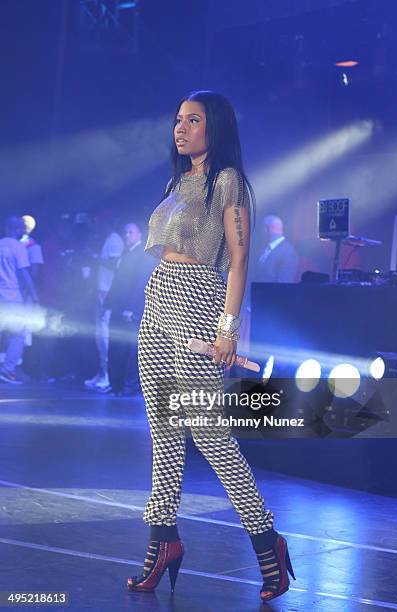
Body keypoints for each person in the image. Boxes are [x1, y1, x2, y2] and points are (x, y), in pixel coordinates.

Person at [126, 91, 295, 602]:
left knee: (210, 435)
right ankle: (163, 542)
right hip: (158, 301)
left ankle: (268, 542)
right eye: (178, 119)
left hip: (201, 301)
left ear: (214, 128)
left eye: (193, 120)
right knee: (164, 433)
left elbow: (239, 259)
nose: (181, 128)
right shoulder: (179, 181)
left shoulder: (228, 181)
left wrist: (228, 328)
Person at [104, 223, 148, 395]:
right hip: (118, 307)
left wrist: (131, 308)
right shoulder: (127, 253)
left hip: (129, 310)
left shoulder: (142, 255)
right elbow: (117, 281)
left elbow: (140, 283)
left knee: (129, 349)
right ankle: (116, 384)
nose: (127, 235)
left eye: (131, 232)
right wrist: (107, 303)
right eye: (125, 232)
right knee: (116, 346)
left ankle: (128, 385)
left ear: (139, 234)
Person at [84, 213, 124, 392]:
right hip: (101, 292)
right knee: (99, 336)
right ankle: (101, 373)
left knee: (105, 336)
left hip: (108, 293)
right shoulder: (108, 238)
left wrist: (95, 257)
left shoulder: (114, 239)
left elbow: (115, 264)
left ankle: (107, 375)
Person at [0, 216, 38, 384]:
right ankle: (7, 370)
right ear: (16, 229)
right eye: (22, 227)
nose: (24, 231)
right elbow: (24, 273)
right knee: (18, 335)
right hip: (12, 297)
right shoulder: (18, 247)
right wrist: (34, 294)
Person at [252, 215, 299, 283]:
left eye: (262, 228)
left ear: (271, 228)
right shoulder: (264, 248)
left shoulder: (288, 252)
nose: (261, 231)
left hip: (270, 293)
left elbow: (283, 284)